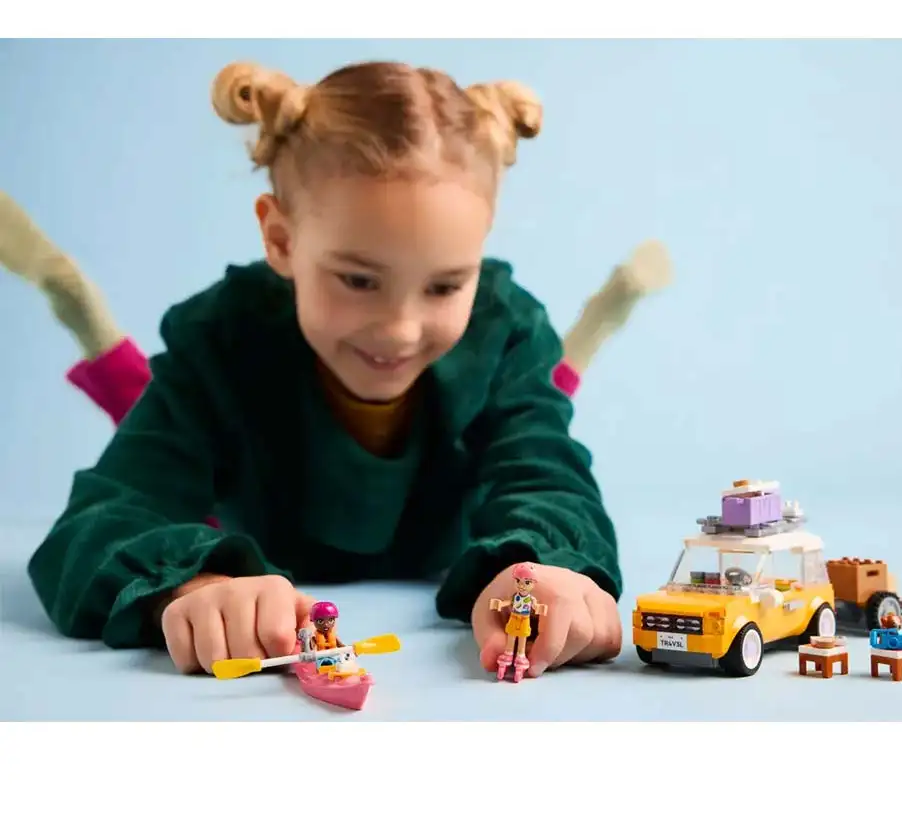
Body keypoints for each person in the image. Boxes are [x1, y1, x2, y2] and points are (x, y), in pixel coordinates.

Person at [0, 62, 671, 680]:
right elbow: (108, 514)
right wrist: (194, 585)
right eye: (358, 279)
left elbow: (545, 476)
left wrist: (545, 570)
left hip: (453, 535)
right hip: (260, 539)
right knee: (128, 392)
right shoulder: (223, 336)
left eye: (445, 286)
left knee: (555, 387)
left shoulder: (506, 331)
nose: (400, 329)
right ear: (280, 239)